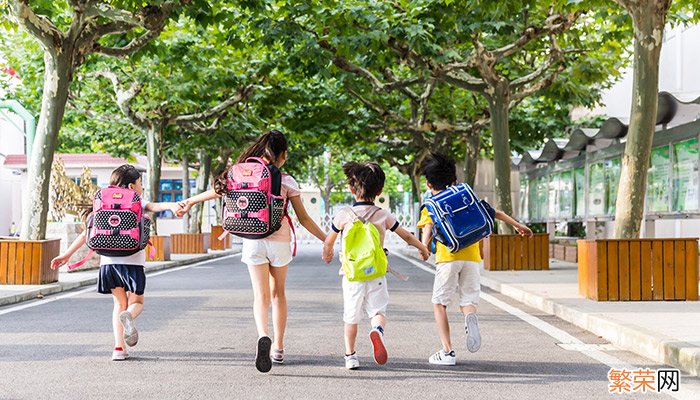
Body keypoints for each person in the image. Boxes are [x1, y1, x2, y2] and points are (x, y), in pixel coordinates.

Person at [176, 130, 326, 373]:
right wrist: (327, 240)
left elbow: (217, 191)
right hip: (279, 240)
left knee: (260, 296)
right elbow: (304, 219)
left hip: (253, 240)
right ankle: (278, 347)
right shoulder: (287, 180)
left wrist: (190, 201)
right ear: (283, 155)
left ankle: (262, 335)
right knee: (278, 294)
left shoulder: (241, 174)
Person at [50, 164, 181, 361]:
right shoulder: (136, 200)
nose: (141, 188)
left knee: (118, 303)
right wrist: (173, 205)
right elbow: (156, 206)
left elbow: (88, 233)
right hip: (133, 262)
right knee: (136, 302)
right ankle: (129, 315)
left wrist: (66, 255)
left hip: (108, 263)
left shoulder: (102, 202)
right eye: (140, 183)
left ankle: (118, 349)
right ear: (131, 185)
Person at [417, 153, 533, 366]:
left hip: (448, 257)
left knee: (439, 303)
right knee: (468, 299)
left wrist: (424, 248)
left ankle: (447, 352)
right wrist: (518, 225)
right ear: (454, 181)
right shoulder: (464, 195)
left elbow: (428, 227)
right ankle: (470, 316)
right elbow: (494, 212)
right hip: (472, 256)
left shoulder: (431, 204)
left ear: (428, 183)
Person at [323, 161, 430, 370]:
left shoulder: (344, 215)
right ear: (379, 190)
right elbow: (406, 235)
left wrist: (327, 253)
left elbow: (329, 240)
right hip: (376, 273)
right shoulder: (383, 214)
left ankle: (350, 356)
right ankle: (377, 331)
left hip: (352, 274)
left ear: (351, 188)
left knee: (351, 318)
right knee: (378, 312)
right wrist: (423, 248)